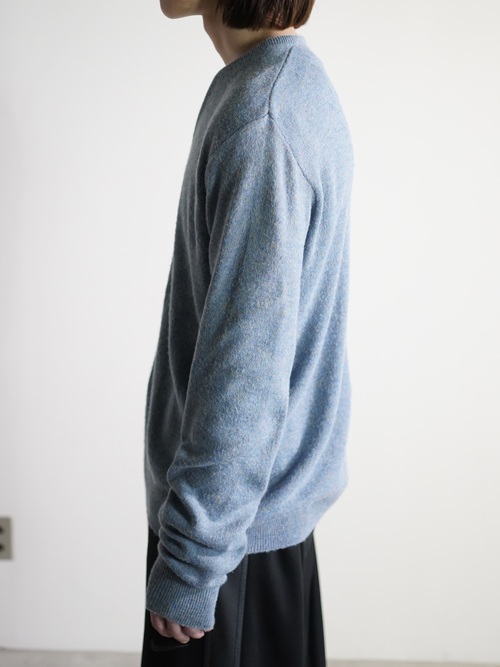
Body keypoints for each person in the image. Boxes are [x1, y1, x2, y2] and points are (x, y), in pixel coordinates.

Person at [141, 0, 354, 665]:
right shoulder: (275, 85)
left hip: (231, 550)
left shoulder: (263, 118)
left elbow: (247, 370)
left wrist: (191, 563)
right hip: (247, 528)